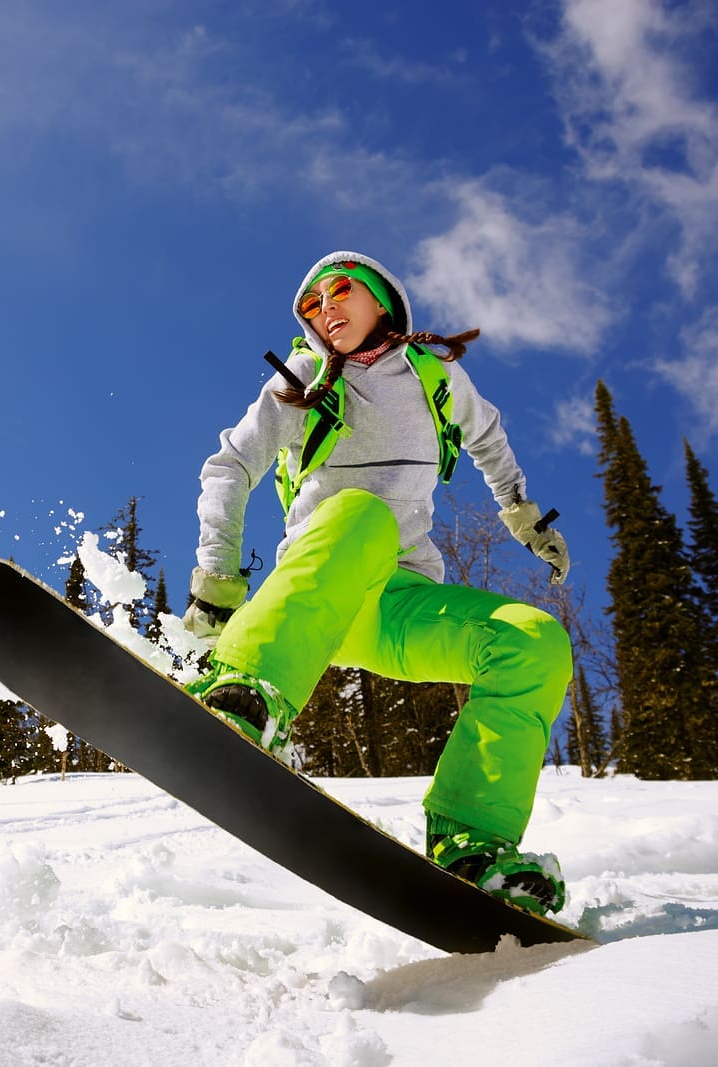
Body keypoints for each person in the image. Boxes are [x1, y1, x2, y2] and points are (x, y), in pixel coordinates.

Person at [182, 251, 574, 915]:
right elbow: (227, 466)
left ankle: (474, 844)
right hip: (321, 586)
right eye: (311, 307)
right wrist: (217, 579)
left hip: (399, 606)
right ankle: (244, 690)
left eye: (341, 292)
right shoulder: (303, 379)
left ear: (382, 300)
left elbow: (489, 436)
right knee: (364, 513)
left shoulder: (435, 376)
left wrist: (522, 514)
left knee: (535, 641)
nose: (326, 310)